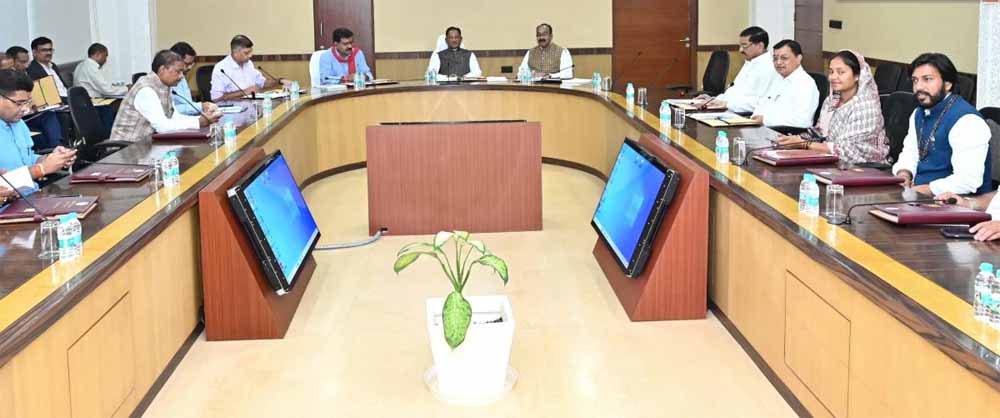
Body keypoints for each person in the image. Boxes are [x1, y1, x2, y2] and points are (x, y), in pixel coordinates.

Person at [892, 53, 991, 195]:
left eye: (927, 79)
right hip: (918, 195)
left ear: (948, 84)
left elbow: (967, 181)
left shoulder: (968, 120)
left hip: (957, 201)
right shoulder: (918, 112)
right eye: (915, 80)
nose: (918, 87)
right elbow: (910, 152)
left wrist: (919, 191)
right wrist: (904, 174)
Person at [775, 50, 889, 164]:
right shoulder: (831, 101)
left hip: (862, 167)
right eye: (831, 72)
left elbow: (847, 151)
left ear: (857, 76)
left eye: (841, 72)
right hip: (830, 160)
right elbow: (819, 134)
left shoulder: (865, 107)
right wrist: (794, 139)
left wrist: (805, 144)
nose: (833, 77)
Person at [110, 50, 221, 142]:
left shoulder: (165, 86)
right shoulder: (146, 89)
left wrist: (204, 118)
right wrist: (199, 122)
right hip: (128, 150)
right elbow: (162, 127)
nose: (182, 76)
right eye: (178, 72)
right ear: (162, 69)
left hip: (148, 145)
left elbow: (175, 117)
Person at [0, 69, 76, 201]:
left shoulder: (18, 123)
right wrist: (41, 169)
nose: (25, 109)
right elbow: (3, 184)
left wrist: (51, 158)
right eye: (19, 103)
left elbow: (27, 159)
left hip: (33, 196)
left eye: (27, 102)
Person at [695, 26, 776, 113]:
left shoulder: (768, 68)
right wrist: (712, 100)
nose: (740, 50)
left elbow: (759, 103)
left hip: (743, 115)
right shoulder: (750, 62)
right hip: (729, 111)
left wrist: (726, 104)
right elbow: (734, 93)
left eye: (744, 46)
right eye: (740, 46)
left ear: (760, 46)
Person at [751, 39, 818, 128]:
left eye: (784, 58)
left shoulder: (805, 84)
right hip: (762, 128)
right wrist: (755, 117)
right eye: (775, 58)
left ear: (798, 58)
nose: (778, 62)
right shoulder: (777, 78)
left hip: (786, 133)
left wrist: (764, 120)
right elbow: (761, 104)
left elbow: (802, 121)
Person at [210, 35, 291, 101]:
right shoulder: (221, 68)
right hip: (232, 112)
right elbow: (216, 98)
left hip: (252, 107)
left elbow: (262, 83)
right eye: (246, 53)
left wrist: (280, 81)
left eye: (251, 52)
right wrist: (244, 92)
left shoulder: (248, 64)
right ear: (235, 52)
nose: (250, 55)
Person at [169, 41, 203, 116]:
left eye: (192, 64)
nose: (190, 67)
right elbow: (170, 109)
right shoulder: (164, 81)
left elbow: (187, 103)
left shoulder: (182, 76)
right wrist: (201, 106)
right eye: (187, 64)